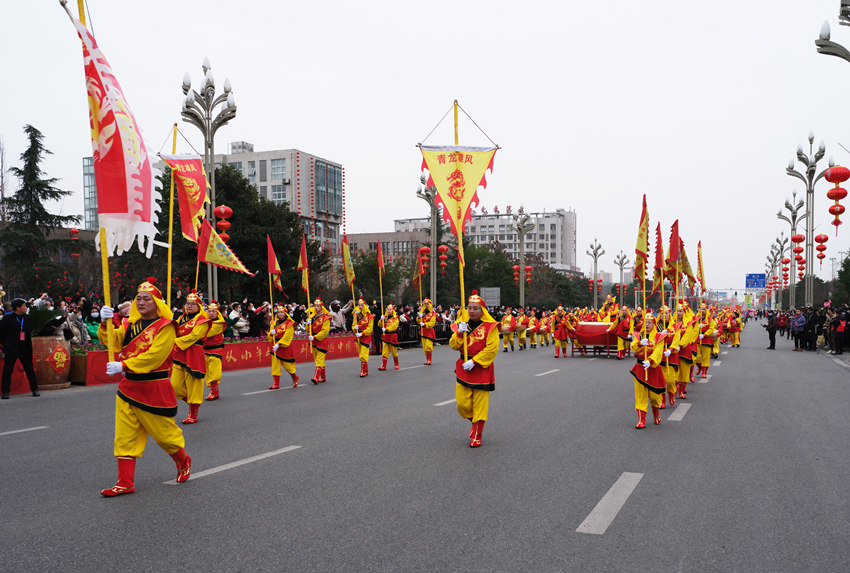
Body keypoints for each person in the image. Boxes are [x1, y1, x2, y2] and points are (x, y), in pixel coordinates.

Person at [97, 279, 191, 496]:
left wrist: (124, 365)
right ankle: (125, 482)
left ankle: (183, 460)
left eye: (146, 299)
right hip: (128, 387)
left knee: (165, 436)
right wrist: (104, 323)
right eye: (138, 298)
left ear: (156, 302)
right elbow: (113, 342)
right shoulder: (129, 324)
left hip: (154, 387)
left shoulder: (166, 326)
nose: (140, 302)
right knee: (124, 436)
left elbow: (155, 356)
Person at [450, 291, 499, 448]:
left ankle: (478, 434)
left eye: (475, 308)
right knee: (462, 404)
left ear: (482, 310)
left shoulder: (490, 327)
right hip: (463, 367)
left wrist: (475, 361)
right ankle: (474, 422)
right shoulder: (463, 324)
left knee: (480, 405)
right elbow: (453, 345)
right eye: (469, 308)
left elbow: (492, 349)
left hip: (481, 368)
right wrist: (459, 333)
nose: (471, 311)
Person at [171, 292, 211, 424]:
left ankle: (193, 412)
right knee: (175, 386)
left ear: (199, 306)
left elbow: (194, 336)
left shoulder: (202, 320)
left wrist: (175, 341)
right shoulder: (181, 318)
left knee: (193, 385)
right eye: (188, 303)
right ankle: (192, 403)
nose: (189, 306)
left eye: (193, 304)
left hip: (194, 353)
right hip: (180, 354)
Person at [629, 312, 665, 428]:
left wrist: (650, 360)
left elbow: (658, 352)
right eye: (646, 322)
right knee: (640, 395)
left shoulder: (659, 337)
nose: (647, 324)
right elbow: (633, 347)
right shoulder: (639, 335)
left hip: (653, 368)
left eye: (650, 322)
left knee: (654, 396)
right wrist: (640, 343)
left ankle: (656, 413)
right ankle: (641, 420)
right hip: (640, 368)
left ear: (654, 324)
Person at [0, 298, 40, 398]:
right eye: (24, 306)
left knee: (29, 369)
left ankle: (34, 389)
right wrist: (5, 344)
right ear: (17, 308)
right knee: (8, 370)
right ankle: (5, 391)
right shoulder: (8, 319)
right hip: (11, 347)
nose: (26, 308)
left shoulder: (28, 318)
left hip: (25, 347)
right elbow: (0, 332)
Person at [268, 304, 299, 389]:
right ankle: (276, 384)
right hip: (275, 346)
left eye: (282, 312)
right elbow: (270, 336)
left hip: (285, 346)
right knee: (275, 365)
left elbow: (287, 336)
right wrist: (271, 333)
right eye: (278, 312)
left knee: (287, 366)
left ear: (285, 313)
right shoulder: (274, 323)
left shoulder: (290, 323)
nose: (280, 314)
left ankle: (295, 377)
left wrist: (279, 344)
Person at [203, 302, 227, 401]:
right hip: (205, 350)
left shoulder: (219, 324)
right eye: (209, 311)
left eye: (213, 311)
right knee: (208, 372)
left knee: (214, 372)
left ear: (217, 313)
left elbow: (206, 333)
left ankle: (214, 392)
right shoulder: (205, 322)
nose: (211, 313)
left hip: (216, 350)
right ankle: (213, 391)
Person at [307, 298, 331, 383]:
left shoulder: (326, 318)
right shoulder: (312, 317)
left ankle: (316, 377)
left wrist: (315, 337)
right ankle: (323, 377)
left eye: (318, 306)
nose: (316, 308)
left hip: (321, 340)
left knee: (319, 359)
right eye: (315, 306)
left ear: (321, 307)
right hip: (314, 340)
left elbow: (325, 331)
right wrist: (308, 323)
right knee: (317, 359)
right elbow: (308, 329)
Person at [352, 299, 374, 377]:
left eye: (362, 305)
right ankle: (365, 371)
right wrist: (355, 328)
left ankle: (363, 371)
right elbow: (353, 326)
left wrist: (362, 333)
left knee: (363, 355)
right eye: (359, 305)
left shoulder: (370, 316)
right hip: (359, 337)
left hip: (366, 336)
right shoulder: (356, 315)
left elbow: (370, 329)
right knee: (360, 354)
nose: (360, 307)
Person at [695, 305, 716, 378]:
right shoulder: (697, 319)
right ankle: (700, 367)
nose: (702, 311)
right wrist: (697, 327)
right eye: (701, 309)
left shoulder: (710, 319)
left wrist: (704, 335)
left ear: (706, 310)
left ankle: (704, 372)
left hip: (707, 341)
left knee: (706, 358)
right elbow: (691, 328)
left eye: (704, 309)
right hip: (697, 340)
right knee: (696, 357)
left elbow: (711, 329)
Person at [378, 303, 400, 371]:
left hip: (393, 336)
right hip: (385, 336)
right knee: (384, 351)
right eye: (388, 310)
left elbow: (394, 326)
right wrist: (381, 320)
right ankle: (384, 366)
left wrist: (387, 329)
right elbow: (380, 325)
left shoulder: (395, 318)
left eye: (390, 310)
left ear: (393, 310)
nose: (389, 311)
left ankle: (396, 364)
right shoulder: (385, 318)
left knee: (394, 352)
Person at [418, 298, 437, 365]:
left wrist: (425, 324)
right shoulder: (422, 312)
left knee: (428, 346)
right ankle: (427, 359)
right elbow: (418, 321)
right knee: (424, 347)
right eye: (425, 304)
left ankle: (429, 360)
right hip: (423, 331)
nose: (425, 305)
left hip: (429, 331)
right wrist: (419, 317)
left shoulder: (433, 313)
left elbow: (432, 323)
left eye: (427, 304)